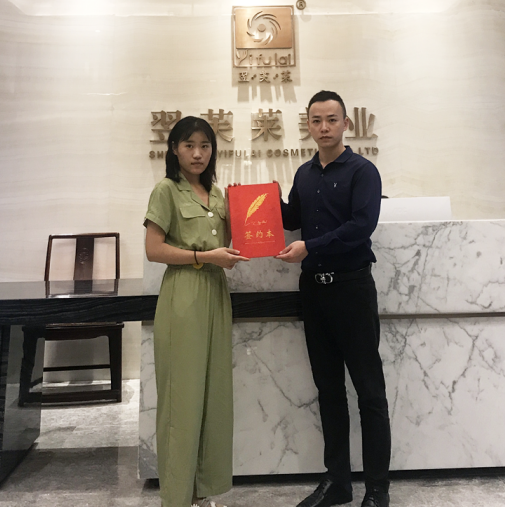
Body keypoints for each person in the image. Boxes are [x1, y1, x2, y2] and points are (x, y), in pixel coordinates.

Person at [275, 91, 391, 507]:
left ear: (346, 124)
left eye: (331, 119)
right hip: (314, 292)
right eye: (316, 120)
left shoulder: (363, 172)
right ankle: (338, 482)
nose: (323, 127)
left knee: (369, 393)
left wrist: (311, 246)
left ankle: (377, 490)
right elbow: (292, 218)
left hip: (351, 289)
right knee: (328, 390)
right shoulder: (304, 174)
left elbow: (361, 227)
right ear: (308, 125)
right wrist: (257, 200)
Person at [144, 116, 249, 507]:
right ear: (174, 149)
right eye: (189, 145)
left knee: (213, 394)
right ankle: (176, 496)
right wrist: (204, 257)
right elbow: (154, 250)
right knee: (182, 398)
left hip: (216, 296)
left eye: (205, 145)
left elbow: (235, 241)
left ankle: (202, 490)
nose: (197, 153)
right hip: (183, 295)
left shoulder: (218, 194)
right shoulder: (166, 191)